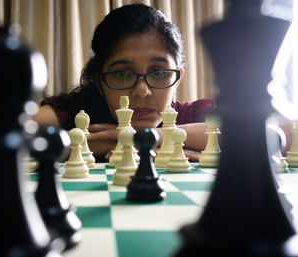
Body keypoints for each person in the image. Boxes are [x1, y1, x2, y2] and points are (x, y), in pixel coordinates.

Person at [33, 4, 214, 161]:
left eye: (158, 72)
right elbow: (12, 132)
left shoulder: (189, 116)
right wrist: (80, 145)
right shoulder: (73, 113)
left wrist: (152, 137)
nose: (142, 91)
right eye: (122, 73)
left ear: (177, 79)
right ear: (99, 82)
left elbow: (238, 131)